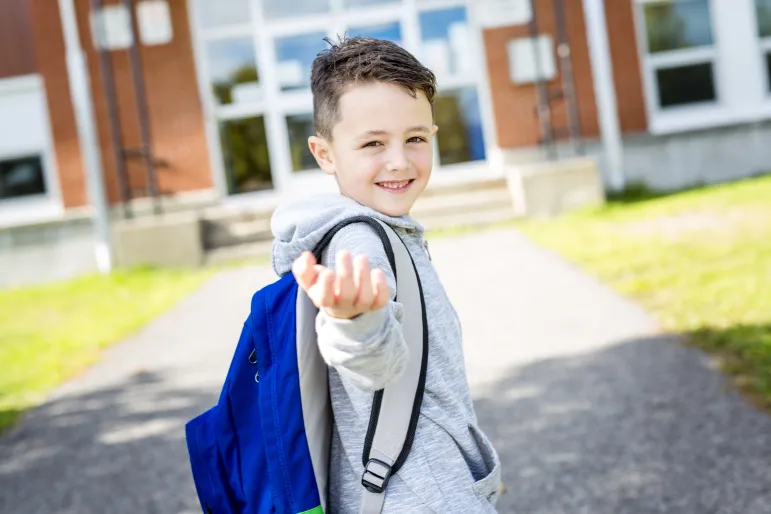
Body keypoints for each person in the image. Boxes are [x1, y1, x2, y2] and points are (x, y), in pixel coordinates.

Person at [270, 35, 501, 513]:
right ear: (325, 153)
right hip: (419, 497)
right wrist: (358, 323)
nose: (399, 159)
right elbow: (375, 368)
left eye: (415, 138)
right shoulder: (360, 244)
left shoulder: (384, 231)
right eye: (373, 143)